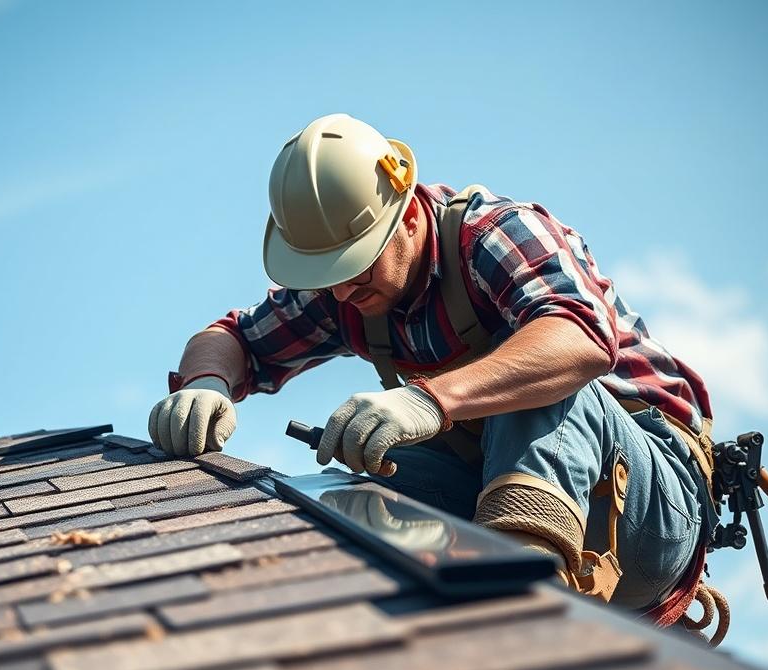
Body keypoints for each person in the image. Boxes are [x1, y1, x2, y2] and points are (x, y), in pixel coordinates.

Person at [148, 113, 719, 616]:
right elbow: (231, 338)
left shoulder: (493, 235)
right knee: (364, 491)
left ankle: (518, 601)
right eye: (329, 274)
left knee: (541, 380)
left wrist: (430, 400)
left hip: (648, 507)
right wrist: (206, 384)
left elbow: (581, 339)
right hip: (490, 490)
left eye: (358, 266)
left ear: (409, 216)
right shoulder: (339, 290)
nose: (344, 291)